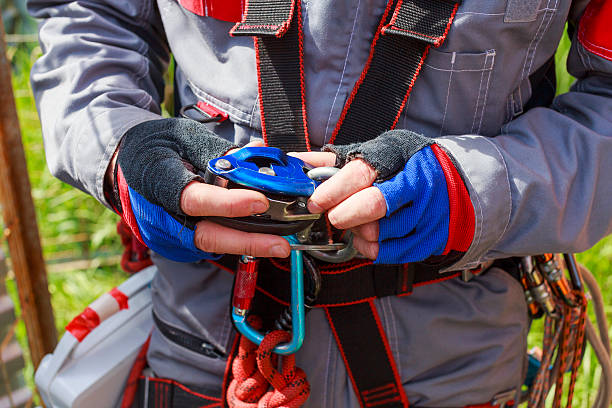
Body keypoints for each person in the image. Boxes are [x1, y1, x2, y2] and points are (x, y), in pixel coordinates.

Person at [27, 0, 612, 406]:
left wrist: (479, 187)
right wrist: (116, 149)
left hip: (450, 356)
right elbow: (89, 17)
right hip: (211, 344)